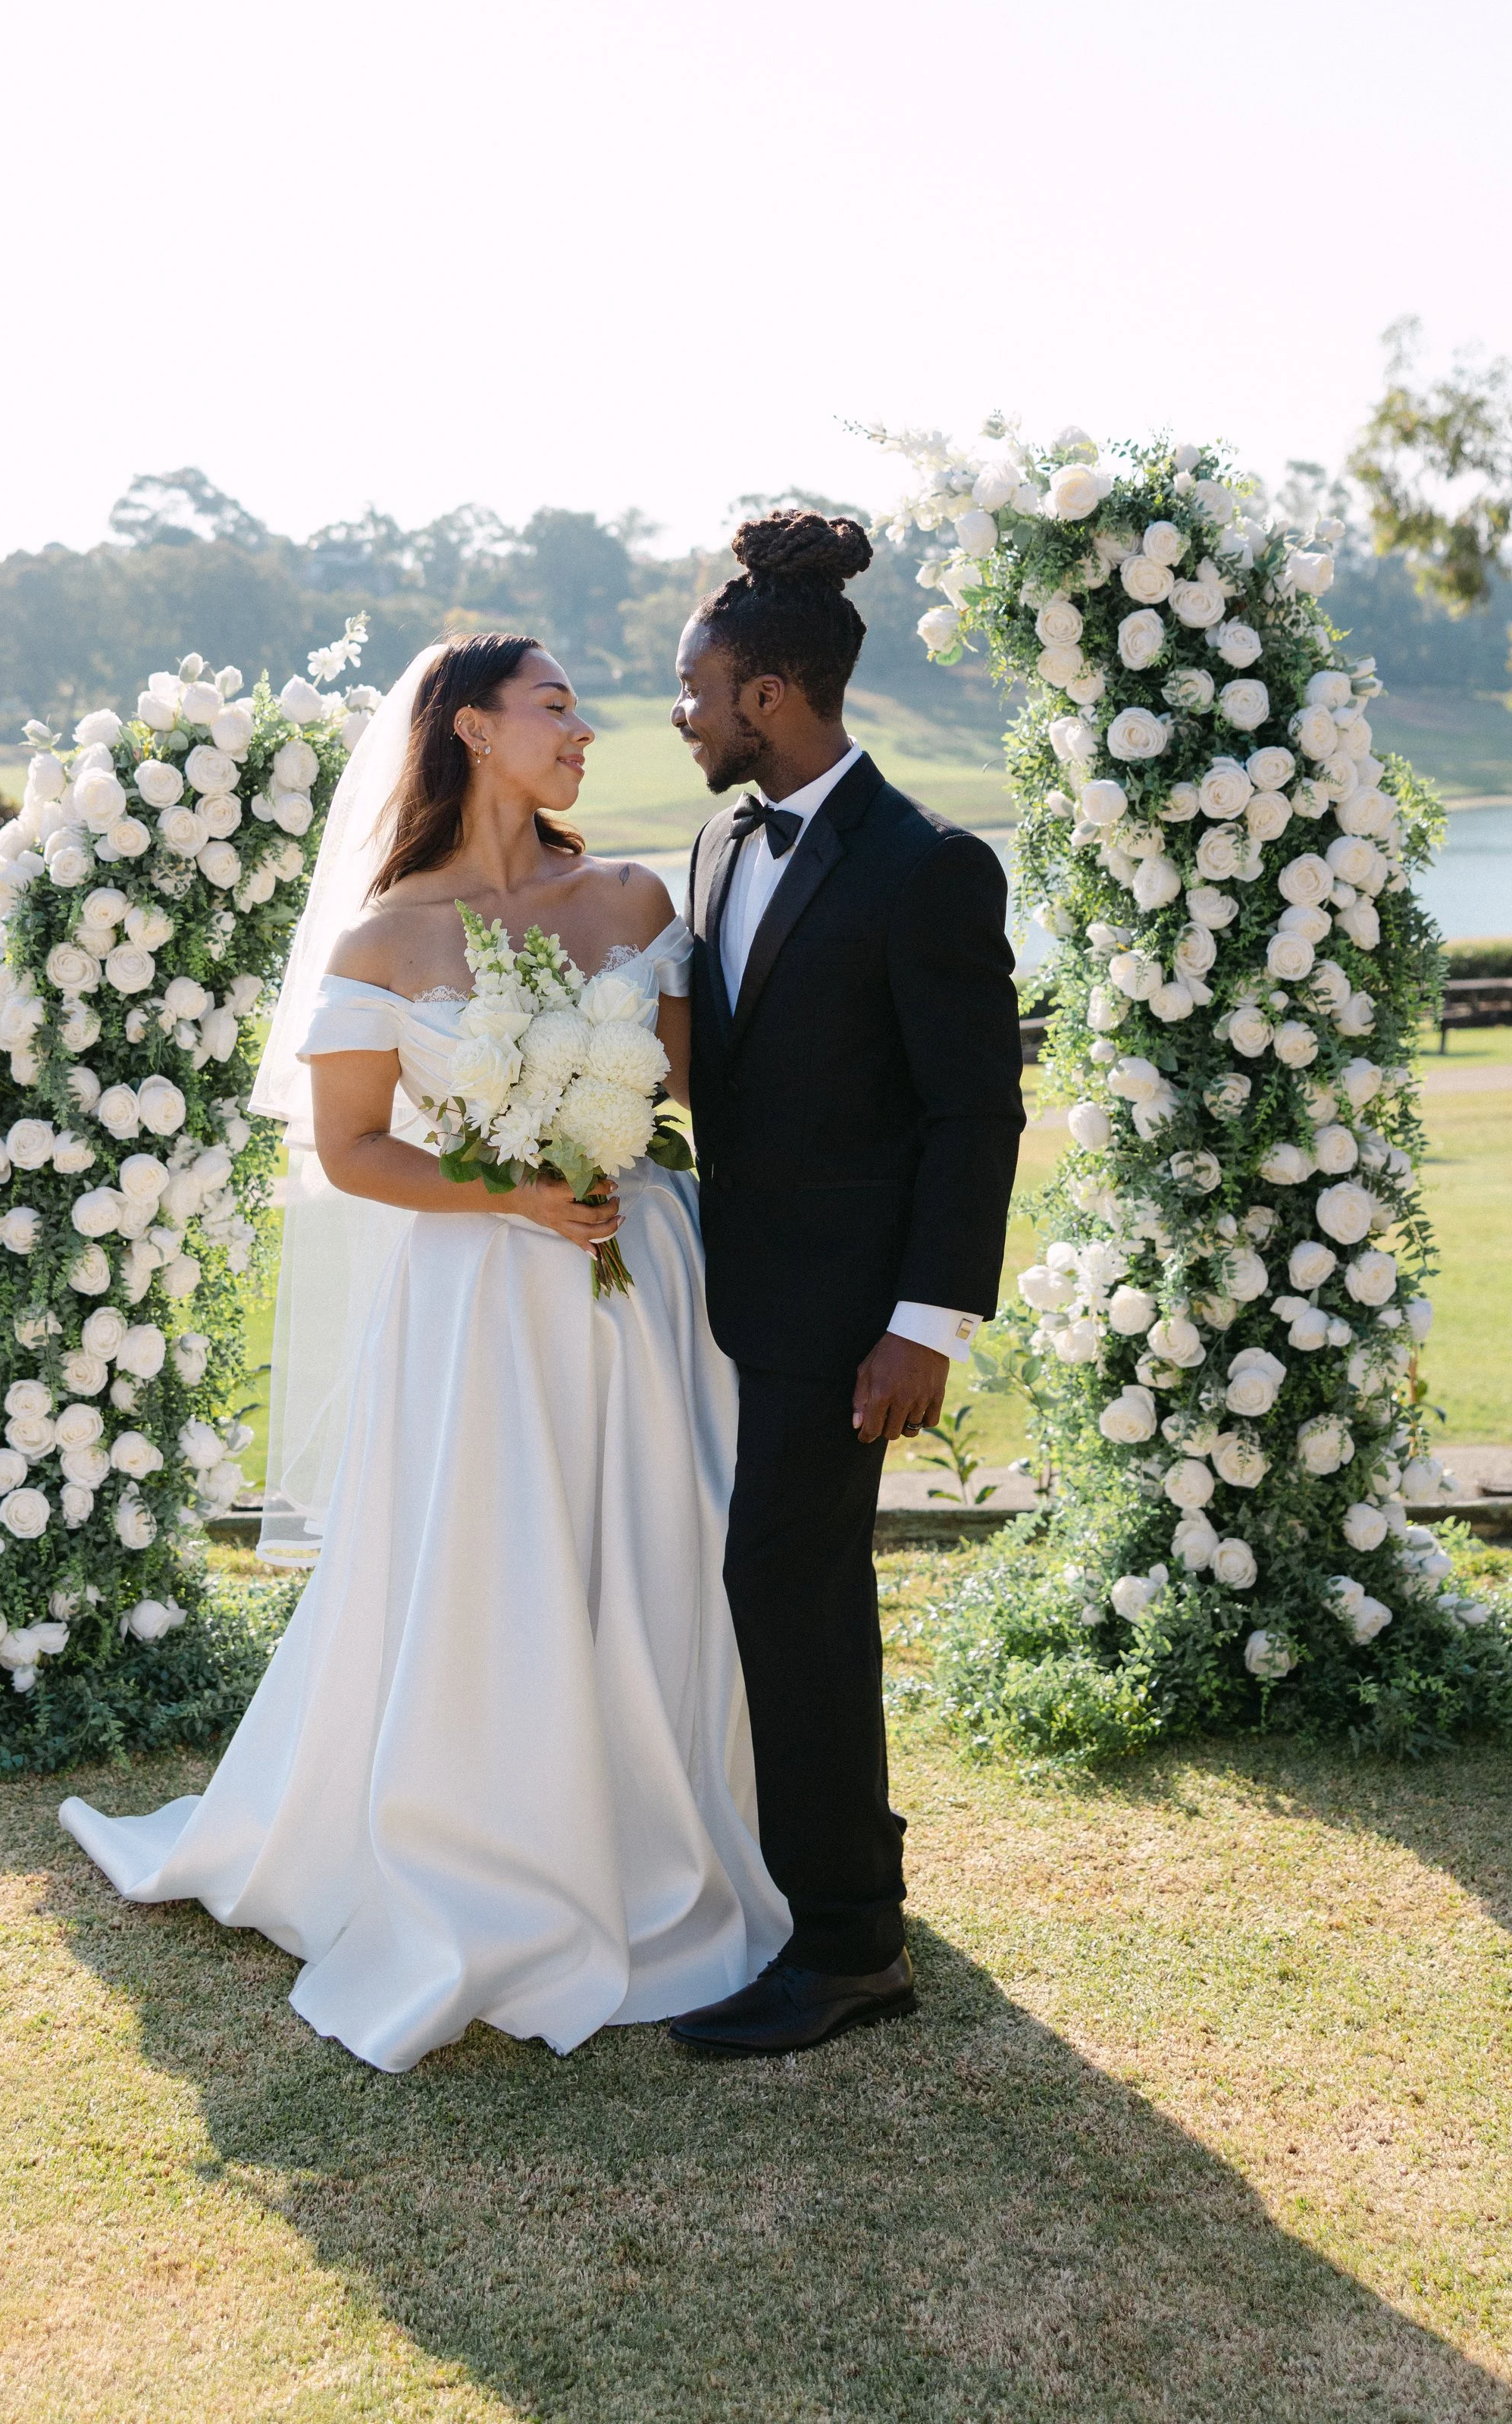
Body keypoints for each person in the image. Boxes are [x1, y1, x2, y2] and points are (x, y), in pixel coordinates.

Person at [60, 634, 788, 2072]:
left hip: (645, 1287)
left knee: (662, 1547)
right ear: (469, 728)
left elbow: (720, 1098)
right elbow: (347, 1154)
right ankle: (492, 1841)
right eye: (556, 706)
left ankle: (681, 1832)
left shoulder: (636, 897)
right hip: (483, 1303)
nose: (586, 729)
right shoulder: (385, 938)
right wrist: (511, 1191)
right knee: (493, 1566)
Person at [665, 512, 1025, 2057]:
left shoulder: (927, 867)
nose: (676, 711)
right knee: (781, 1592)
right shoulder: (713, 842)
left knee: (791, 1593)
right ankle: (811, 1891)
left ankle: (847, 1945)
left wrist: (924, 1324)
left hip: (854, 1322)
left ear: (772, 694)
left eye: (695, 686)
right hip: (729, 1298)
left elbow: (972, 1111)